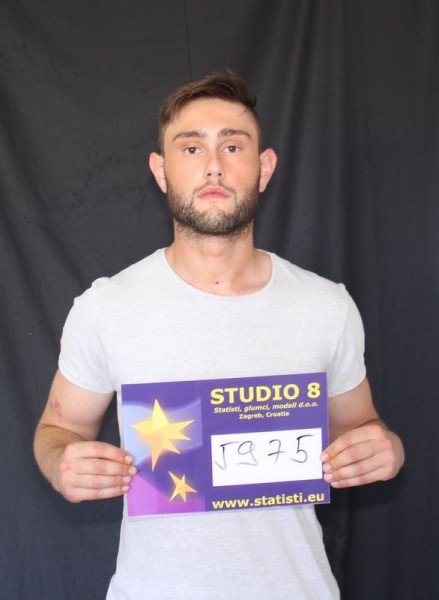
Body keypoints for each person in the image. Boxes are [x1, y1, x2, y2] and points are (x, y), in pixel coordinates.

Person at [34, 71, 404, 599]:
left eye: (232, 146)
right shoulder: (105, 308)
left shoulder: (326, 306)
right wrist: (59, 463)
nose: (213, 166)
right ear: (161, 171)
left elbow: (360, 427)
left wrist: (383, 449)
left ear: (264, 167)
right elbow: (58, 428)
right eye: (191, 148)